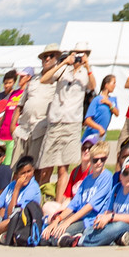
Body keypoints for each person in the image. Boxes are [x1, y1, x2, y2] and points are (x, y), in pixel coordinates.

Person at [38, 48, 93, 204]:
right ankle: (41, 201)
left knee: (63, 168)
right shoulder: (63, 69)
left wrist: (87, 65)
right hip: (56, 121)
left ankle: (57, 203)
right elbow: (44, 79)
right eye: (77, 53)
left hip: (72, 123)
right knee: (46, 166)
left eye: (83, 53)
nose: (79, 56)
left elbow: (92, 86)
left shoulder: (86, 72)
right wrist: (64, 62)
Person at [43, 143, 115, 244]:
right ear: (90, 160)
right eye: (95, 160)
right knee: (45, 236)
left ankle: (77, 238)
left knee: (55, 238)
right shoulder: (87, 180)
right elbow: (73, 204)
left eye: (102, 159)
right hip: (79, 218)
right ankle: (74, 236)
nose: (99, 163)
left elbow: (90, 206)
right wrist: (57, 220)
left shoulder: (107, 177)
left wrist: (68, 222)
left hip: (90, 221)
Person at [0, 155, 45, 245]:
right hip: (4, 222)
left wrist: (17, 189)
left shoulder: (33, 188)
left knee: (7, 223)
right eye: (22, 173)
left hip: (19, 223)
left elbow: (12, 215)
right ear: (16, 175)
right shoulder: (11, 185)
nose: (26, 176)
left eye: (29, 171)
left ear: (33, 171)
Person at [11, 49, 59, 178]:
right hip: (23, 129)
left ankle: (32, 190)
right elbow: (20, 104)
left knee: (34, 168)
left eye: (50, 56)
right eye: (44, 57)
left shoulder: (57, 81)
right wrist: (13, 126)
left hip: (40, 130)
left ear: (56, 58)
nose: (47, 59)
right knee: (16, 167)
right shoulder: (33, 80)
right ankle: (14, 190)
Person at [86, 155, 129, 246]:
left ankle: (82, 241)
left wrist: (111, 217)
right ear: (120, 176)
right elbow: (107, 212)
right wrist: (101, 219)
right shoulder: (116, 189)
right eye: (125, 173)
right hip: (116, 225)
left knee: (118, 226)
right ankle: (119, 239)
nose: (128, 176)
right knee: (89, 229)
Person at [83, 74, 121, 148]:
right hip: (91, 135)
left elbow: (117, 113)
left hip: (101, 136)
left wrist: (109, 104)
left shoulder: (112, 100)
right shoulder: (97, 99)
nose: (115, 85)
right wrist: (99, 128)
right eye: (113, 83)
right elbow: (87, 120)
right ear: (106, 85)